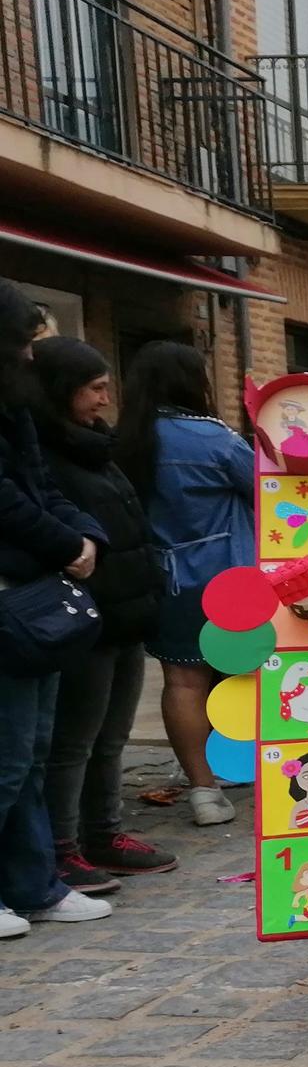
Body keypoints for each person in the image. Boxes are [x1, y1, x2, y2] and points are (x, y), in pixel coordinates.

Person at [30, 336, 176, 890]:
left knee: (111, 737)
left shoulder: (94, 445)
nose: (105, 399)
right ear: (61, 391)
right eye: (94, 388)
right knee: (74, 742)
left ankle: (103, 832)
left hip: (124, 615)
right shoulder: (44, 453)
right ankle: (62, 846)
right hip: (82, 621)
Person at [0, 281, 113, 936]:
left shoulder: (15, 407)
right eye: (26, 340)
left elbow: (39, 488)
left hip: (34, 600)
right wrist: (65, 539)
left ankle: (33, 884)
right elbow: (7, 502)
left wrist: (85, 535)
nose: (32, 354)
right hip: (9, 599)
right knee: (9, 756)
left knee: (33, 752)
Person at [116, 341, 255, 827]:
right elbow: (265, 490)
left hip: (164, 580)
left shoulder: (127, 439)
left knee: (182, 680)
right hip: (231, 577)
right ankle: (255, 771)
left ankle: (202, 789)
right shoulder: (212, 438)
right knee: (250, 674)